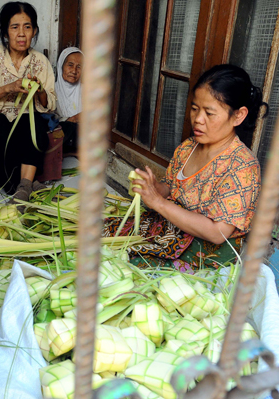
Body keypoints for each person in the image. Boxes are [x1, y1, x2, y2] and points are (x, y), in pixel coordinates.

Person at [103, 64, 268, 272]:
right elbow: (172, 187)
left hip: (202, 251)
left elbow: (218, 233)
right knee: (102, 239)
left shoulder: (242, 167)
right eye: (194, 108)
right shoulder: (188, 147)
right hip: (170, 230)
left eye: (209, 113)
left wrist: (159, 203)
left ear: (238, 116)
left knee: (128, 268)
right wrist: (155, 189)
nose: (198, 119)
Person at [0, 2, 56, 206]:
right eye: (14, 27)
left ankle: (24, 187)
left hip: (28, 114)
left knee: (36, 130)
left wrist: (40, 90)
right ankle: (29, 184)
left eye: (27, 27)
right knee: (1, 134)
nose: (21, 34)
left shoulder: (40, 61)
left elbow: (50, 104)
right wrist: (8, 88)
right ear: (5, 32)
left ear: (34, 31)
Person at [55, 47, 83, 154]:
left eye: (79, 67)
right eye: (70, 65)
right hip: (58, 142)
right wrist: (74, 119)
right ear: (61, 66)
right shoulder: (50, 91)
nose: (74, 71)